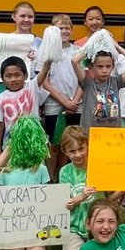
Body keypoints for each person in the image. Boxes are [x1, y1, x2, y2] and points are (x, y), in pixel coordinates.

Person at [70, 42, 125, 135]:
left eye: (108, 66)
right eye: (100, 67)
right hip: (90, 134)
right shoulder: (88, 83)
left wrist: (117, 47)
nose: (104, 70)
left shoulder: (116, 82)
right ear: (91, 67)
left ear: (113, 66)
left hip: (113, 134)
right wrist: (93, 43)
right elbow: (74, 61)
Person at [40, 13, 81, 179]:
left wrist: (75, 100)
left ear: (71, 30)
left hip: (76, 104)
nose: (63, 31)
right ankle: (51, 177)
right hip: (54, 106)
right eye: (59, 28)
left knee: (69, 143)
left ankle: (63, 175)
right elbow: (44, 82)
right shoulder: (46, 52)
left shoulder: (78, 51)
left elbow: (84, 79)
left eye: (67, 28)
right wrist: (64, 101)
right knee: (54, 145)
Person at [0, 56, 52, 161]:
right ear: (2, 79)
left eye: (17, 75)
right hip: (11, 145)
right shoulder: (0, 98)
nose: (13, 79)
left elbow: (44, 71)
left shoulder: (32, 87)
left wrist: (49, 57)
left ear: (26, 75)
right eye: (8, 76)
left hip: (34, 143)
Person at [56, 125, 96, 250]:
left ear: (87, 146)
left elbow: (111, 198)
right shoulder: (65, 172)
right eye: (72, 151)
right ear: (65, 152)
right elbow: (66, 204)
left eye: (81, 149)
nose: (78, 154)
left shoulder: (97, 167)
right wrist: (81, 197)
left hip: (97, 226)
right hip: (73, 227)